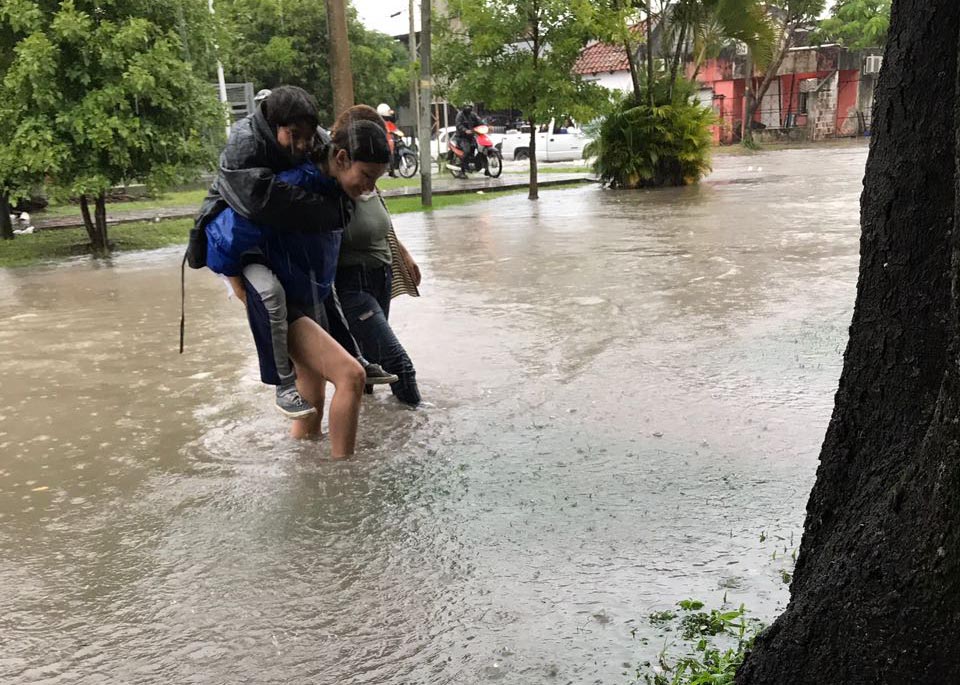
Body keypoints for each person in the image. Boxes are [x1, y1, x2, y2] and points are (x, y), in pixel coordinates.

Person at [191, 85, 395, 420]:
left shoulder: (317, 146)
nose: (302, 145)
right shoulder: (245, 144)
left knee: (322, 290)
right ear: (273, 126)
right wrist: (324, 212)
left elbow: (327, 198)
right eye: (292, 135)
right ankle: (281, 384)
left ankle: (349, 364)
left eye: (307, 135)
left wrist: (328, 210)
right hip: (236, 246)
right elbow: (261, 202)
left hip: (277, 246)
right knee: (270, 295)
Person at [333, 105, 423, 406]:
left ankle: (372, 440)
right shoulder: (337, 184)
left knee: (368, 364)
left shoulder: (368, 179)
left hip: (380, 277)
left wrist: (403, 254)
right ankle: (420, 430)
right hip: (351, 286)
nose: (370, 184)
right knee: (399, 366)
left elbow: (381, 224)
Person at [454, 103, 484, 176]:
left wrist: (486, 126)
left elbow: (479, 121)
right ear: (463, 107)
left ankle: (476, 166)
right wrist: (465, 130)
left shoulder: (473, 115)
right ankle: (462, 170)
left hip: (471, 137)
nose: (468, 108)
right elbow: (458, 125)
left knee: (476, 149)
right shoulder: (460, 115)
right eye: (466, 106)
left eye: (470, 106)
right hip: (462, 137)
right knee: (467, 151)